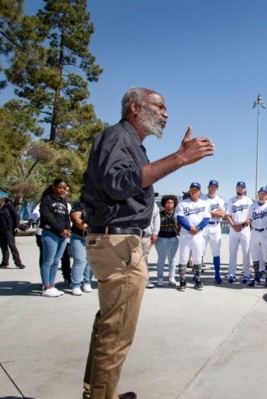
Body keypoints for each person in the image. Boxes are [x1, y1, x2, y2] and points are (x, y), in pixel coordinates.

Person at [82, 87, 214, 399]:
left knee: (110, 323)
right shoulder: (116, 137)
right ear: (134, 109)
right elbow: (118, 184)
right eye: (159, 106)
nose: (166, 113)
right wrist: (179, 159)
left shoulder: (132, 145)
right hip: (119, 245)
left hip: (122, 243)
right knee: (117, 330)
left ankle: (98, 391)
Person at [175, 182, 211, 291]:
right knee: (184, 257)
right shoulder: (182, 203)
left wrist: (198, 228)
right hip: (186, 234)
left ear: (200, 191)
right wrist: (189, 228)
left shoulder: (204, 203)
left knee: (197, 257)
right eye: (192, 189)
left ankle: (198, 280)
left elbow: (206, 219)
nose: (194, 191)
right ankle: (182, 280)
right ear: (189, 191)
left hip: (198, 234)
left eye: (196, 189)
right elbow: (180, 218)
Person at [39, 179, 71, 297]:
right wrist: (60, 230)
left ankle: (52, 285)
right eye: (60, 187)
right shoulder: (47, 200)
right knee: (48, 261)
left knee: (56, 261)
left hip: (62, 235)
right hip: (50, 233)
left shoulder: (63, 201)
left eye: (64, 188)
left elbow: (66, 218)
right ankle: (46, 286)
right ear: (54, 187)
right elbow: (48, 218)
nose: (62, 190)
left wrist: (68, 230)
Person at [225, 181, 253, 283]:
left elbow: (251, 217)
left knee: (246, 252)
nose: (240, 189)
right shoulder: (231, 201)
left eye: (242, 187)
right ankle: (231, 273)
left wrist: (242, 225)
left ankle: (246, 274)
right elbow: (227, 215)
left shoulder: (249, 201)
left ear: (245, 189)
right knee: (232, 253)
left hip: (245, 230)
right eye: (239, 187)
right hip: (233, 230)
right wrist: (233, 226)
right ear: (236, 188)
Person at [246, 187, 267, 286]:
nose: (262, 195)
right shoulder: (252, 206)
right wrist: (246, 222)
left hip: (265, 231)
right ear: (258, 194)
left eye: (264, 193)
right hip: (254, 232)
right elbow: (249, 218)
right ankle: (256, 277)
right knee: (255, 255)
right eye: (261, 193)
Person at [202, 180, 226, 284]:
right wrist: (214, 213)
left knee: (216, 252)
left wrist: (208, 212)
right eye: (211, 186)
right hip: (204, 226)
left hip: (215, 227)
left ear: (217, 188)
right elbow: (201, 214)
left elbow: (222, 215)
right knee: (199, 252)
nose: (213, 188)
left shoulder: (220, 200)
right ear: (208, 187)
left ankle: (217, 274)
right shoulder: (202, 198)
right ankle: (196, 275)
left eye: (215, 187)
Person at [69, 194, 93, 295]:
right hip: (78, 237)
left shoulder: (97, 205)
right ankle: (76, 285)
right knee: (80, 260)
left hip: (92, 237)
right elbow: (76, 219)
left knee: (90, 261)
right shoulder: (79, 205)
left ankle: (87, 282)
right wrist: (89, 228)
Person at [155, 195, 180, 287]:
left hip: (174, 238)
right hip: (161, 239)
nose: (169, 204)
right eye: (168, 202)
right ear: (164, 204)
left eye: (172, 203)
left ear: (174, 204)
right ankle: (160, 278)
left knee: (172, 259)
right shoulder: (159, 214)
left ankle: (171, 277)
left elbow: (180, 226)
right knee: (161, 259)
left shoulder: (177, 215)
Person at [0, 192, 25, 269]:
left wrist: (17, 226)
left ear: (3, 199)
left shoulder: (9, 206)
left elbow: (16, 216)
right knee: (3, 247)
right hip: (0, 230)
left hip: (9, 230)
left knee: (12, 246)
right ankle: (4, 262)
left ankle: (18, 263)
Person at [142, 204, 160, 288]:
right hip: (130, 234)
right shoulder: (130, 198)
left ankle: (145, 279)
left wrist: (155, 233)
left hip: (146, 235)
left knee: (143, 258)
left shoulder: (152, 203)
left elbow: (156, 218)